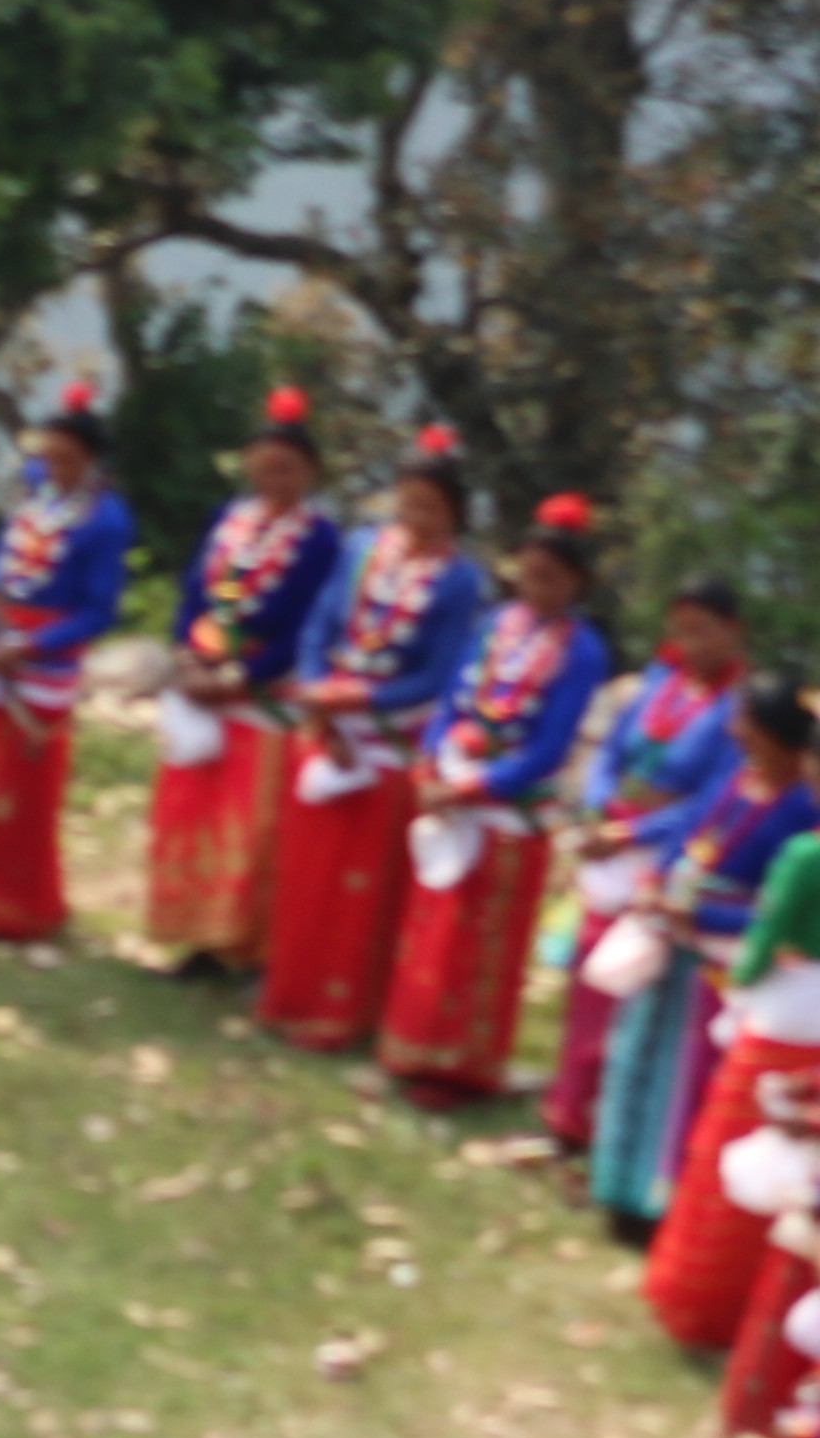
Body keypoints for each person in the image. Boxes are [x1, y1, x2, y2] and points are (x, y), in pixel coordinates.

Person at [376, 495, 615, 1100]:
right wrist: (431, 759)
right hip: (453, 793)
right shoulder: (495, 626)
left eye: (551, 578)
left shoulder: (581, 650)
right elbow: (453, 702)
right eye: (529, 575)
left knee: (480, 948)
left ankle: (463, 1067)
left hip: (507, 812)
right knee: (431, 932)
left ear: (577, 584)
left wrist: (475, 786)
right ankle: (409, 1048)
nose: (536, 589)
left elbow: (549, 746)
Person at [253, 430, 483, 1040]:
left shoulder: (459, 580)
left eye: (430, 508)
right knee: (306, 872)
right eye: (408, 504)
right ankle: (288, 987)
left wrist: (363, 700)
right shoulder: (361, 549)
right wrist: (315, 687)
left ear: (456, 514)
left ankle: (343, 1008)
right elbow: (319, 623)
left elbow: (439, 673)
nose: (416, 519)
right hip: (328, 718)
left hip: (386, 734)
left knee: (357, 883)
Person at [559, 586, 756, 1195]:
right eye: (681, 630)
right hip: (610, 839)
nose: (690, 644)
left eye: (704, 631)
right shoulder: (658, 685)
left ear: (733, 632)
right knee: (589, 981)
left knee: (630, 996)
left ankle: (609, 1130)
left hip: (660, 853)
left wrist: (633, 834)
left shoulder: (738, 712)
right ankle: (569, 1111)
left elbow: (712, 802)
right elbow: (610, 753)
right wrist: (599, 807)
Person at [146, 388, 343, 976]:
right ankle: (198, 938)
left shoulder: (319, 539)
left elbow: (306, 622)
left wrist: (242, 676)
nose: (274, 477)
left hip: (263, 693)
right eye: (265, 465)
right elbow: (201, 595)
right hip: (206, 682)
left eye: (287, 468)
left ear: (310, 472)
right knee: (195, 815)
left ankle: (249, 943)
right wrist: (189, 656)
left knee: (254, 825)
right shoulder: (231, 523)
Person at [644, 705, 820, 1336]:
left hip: (780, 1011)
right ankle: (753, 1303)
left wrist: (739, 980)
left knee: (730, 1141)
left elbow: (765, 937)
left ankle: (694, 1300)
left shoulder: (806, 853)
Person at [0, 386, 134, 950]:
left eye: (67, 460)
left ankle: (16, 907)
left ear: (91, 461)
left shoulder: (106, 521)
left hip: (44, 661)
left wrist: (33, 645)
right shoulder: (35, 491)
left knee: (20, 786)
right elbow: (2, 555)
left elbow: (99, 610)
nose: (54, 469)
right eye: (48, 457)